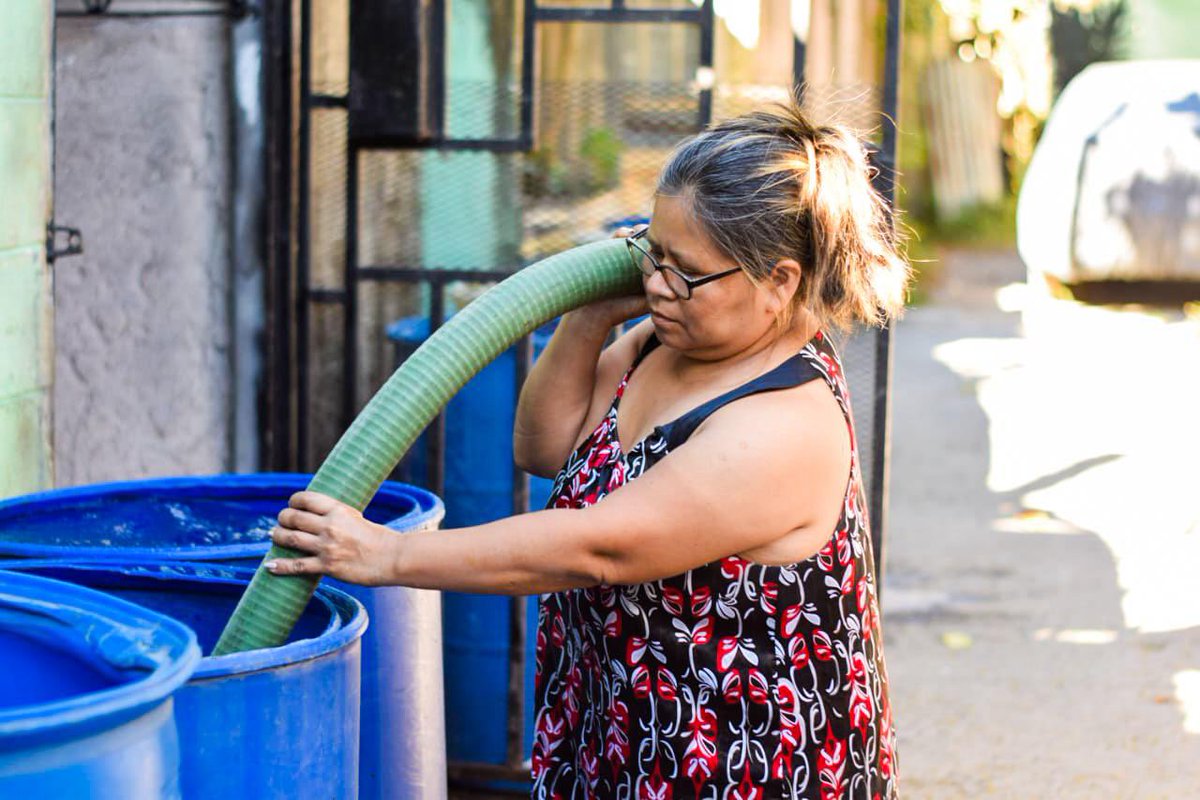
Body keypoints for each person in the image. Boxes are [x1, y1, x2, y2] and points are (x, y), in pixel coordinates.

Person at [267, 99, 910, 798]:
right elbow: (545, 447)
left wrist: (387, 556)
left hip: (735, 758)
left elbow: (596, 548)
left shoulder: (782, 424)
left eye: (683, 271)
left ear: (777, 281)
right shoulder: (670, 342)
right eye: (651, 253)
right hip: (629, 724)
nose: (656, 284)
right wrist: (592, 314)